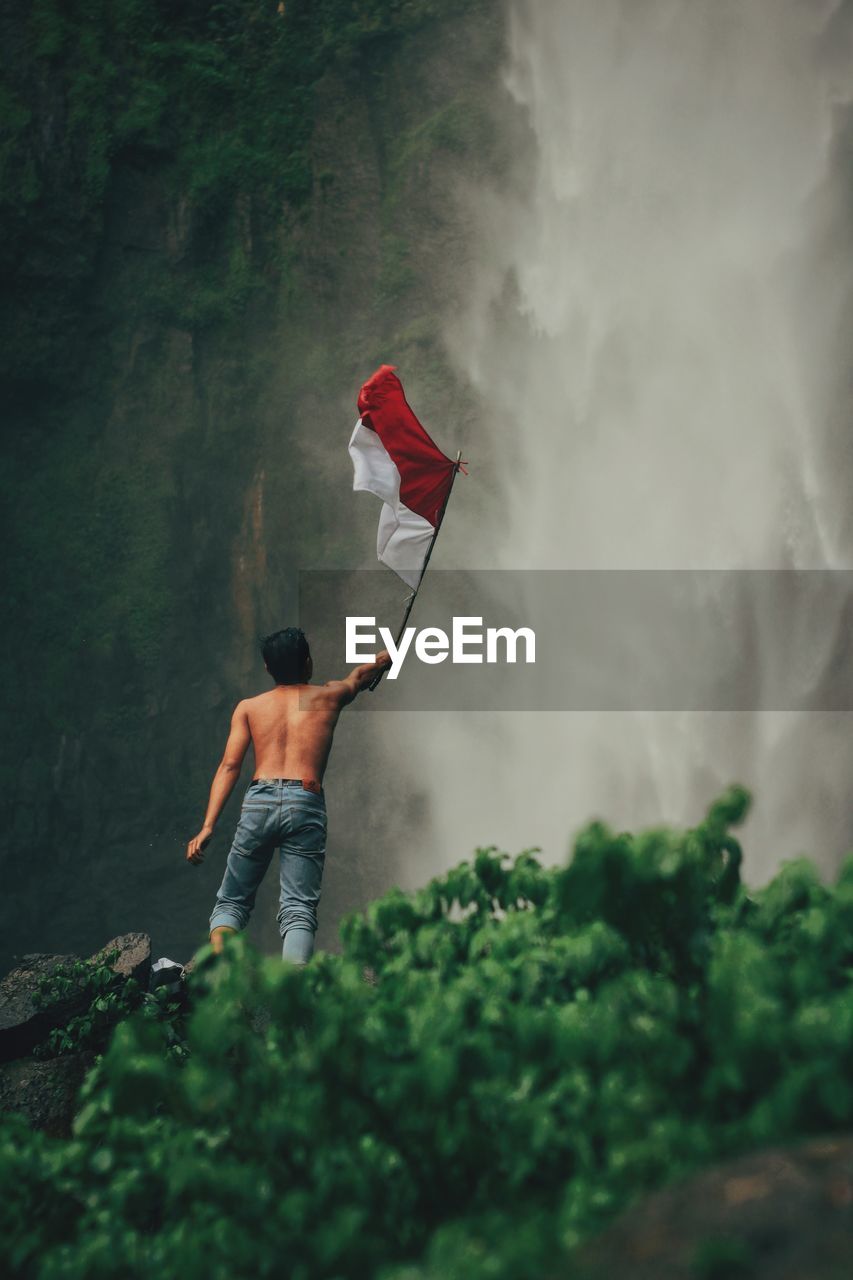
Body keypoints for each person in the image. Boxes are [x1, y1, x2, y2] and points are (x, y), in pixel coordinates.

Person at [186, 627, 390, 962]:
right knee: (298, 908)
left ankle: (225, 981)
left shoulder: (249, 708)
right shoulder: (328, 696)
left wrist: (208, 825)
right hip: (305, 800)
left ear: (268, 668)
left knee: (232, 902)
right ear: (308, 663)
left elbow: (229, 766)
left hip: (259, 800)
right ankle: (293, 993)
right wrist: (385, 660)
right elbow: (359, 677)